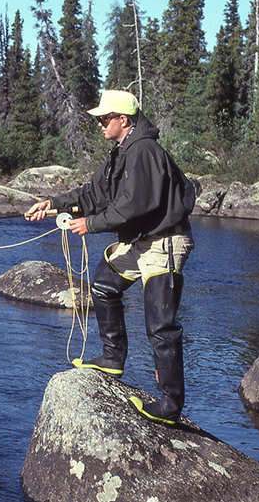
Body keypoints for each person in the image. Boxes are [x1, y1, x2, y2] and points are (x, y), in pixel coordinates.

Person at [25, 90, 195, 425]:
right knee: (103, 285)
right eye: (101, 119)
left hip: (164, 245)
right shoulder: (121, 152)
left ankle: (171, 407)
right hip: (141, 242)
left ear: (124, 120)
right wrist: (53, 204)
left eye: (105, 118)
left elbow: (133, 204)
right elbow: (94, 193)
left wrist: (91, 224)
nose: (101, 123)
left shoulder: (144, 150)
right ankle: (112, 359)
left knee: (161, 327)